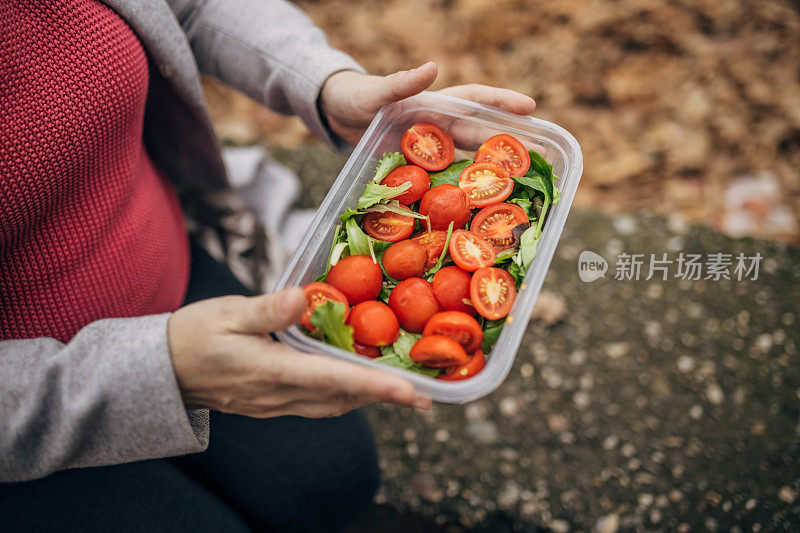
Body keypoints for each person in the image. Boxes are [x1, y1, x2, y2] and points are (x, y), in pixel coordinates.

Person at [0, 0, 536, 530]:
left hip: (175, 272)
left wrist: (328, 87)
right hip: (35, 403)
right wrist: (159, 374)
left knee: (334, 478)